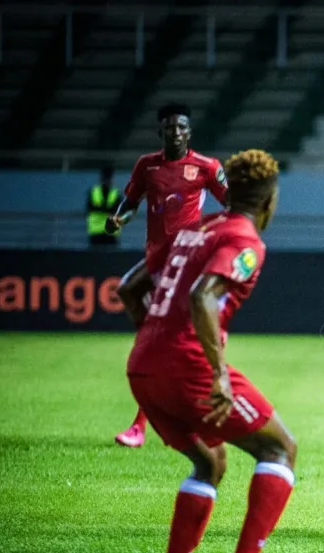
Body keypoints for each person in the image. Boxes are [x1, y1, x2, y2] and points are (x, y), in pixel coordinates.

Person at [122, 149, 294, 553]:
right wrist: (218, 374)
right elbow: (204, 296)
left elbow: (129, 287)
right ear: (270, 201)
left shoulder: (193, 230)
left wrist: (155, 339)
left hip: (143, 366)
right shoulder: (244, 240)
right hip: (189, 366)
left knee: (209, 461)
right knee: (279, 449)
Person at [107, 103, 229, 448]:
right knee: (152, 329)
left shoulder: (206, 167)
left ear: (189, 132)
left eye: (181, 127)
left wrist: (217, 236)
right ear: (160, 132)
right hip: (155, 260)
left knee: (161, 344)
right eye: (170, 127)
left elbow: (231, 204)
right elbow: (130, 202)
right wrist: (118, 219)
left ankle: (141, 426)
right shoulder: (147, 165)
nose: (176, 132)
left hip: (186, 261)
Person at [86, 166, 121, 246]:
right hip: (96, 231)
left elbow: (118, 210)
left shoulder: (116, 193)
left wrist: (100, 208)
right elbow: (89, 208)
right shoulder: (93, 191)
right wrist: (108, 210)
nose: (107, 181)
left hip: (110, 232)